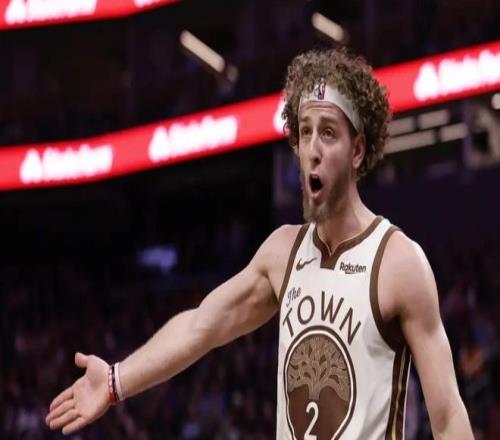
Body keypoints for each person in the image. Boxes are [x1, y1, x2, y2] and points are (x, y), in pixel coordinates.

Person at [46, 47, 473, 439]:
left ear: (358, 150)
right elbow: (199, 326)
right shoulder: (282, 253)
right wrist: (115, 381)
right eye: (304, 133)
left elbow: (449, 417)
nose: (312, 149)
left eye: (328, 133)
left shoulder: (398, 262)